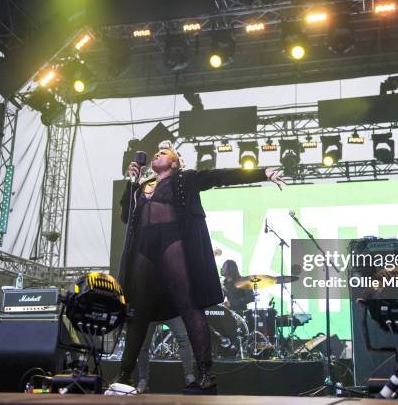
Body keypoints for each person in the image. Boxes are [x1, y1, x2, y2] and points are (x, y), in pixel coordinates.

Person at [116, 141, 285, 394]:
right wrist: (131, 182)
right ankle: (123, 377)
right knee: (137, 311)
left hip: (173, 239)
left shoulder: (185, 179)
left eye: (163, 153)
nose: (157, 154)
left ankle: (206, 374)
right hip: (144, 245)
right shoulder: (141, 185)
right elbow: (126, 216)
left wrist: (262, 173)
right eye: (155, 152)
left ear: (174, 162)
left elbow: (222, 176)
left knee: (189, 305)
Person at [135, 316, 195, 393]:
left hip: (171, 310)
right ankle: (143, 380)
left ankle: (189, 376)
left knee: (183, 340)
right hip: (151, 311)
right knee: (143, 345)